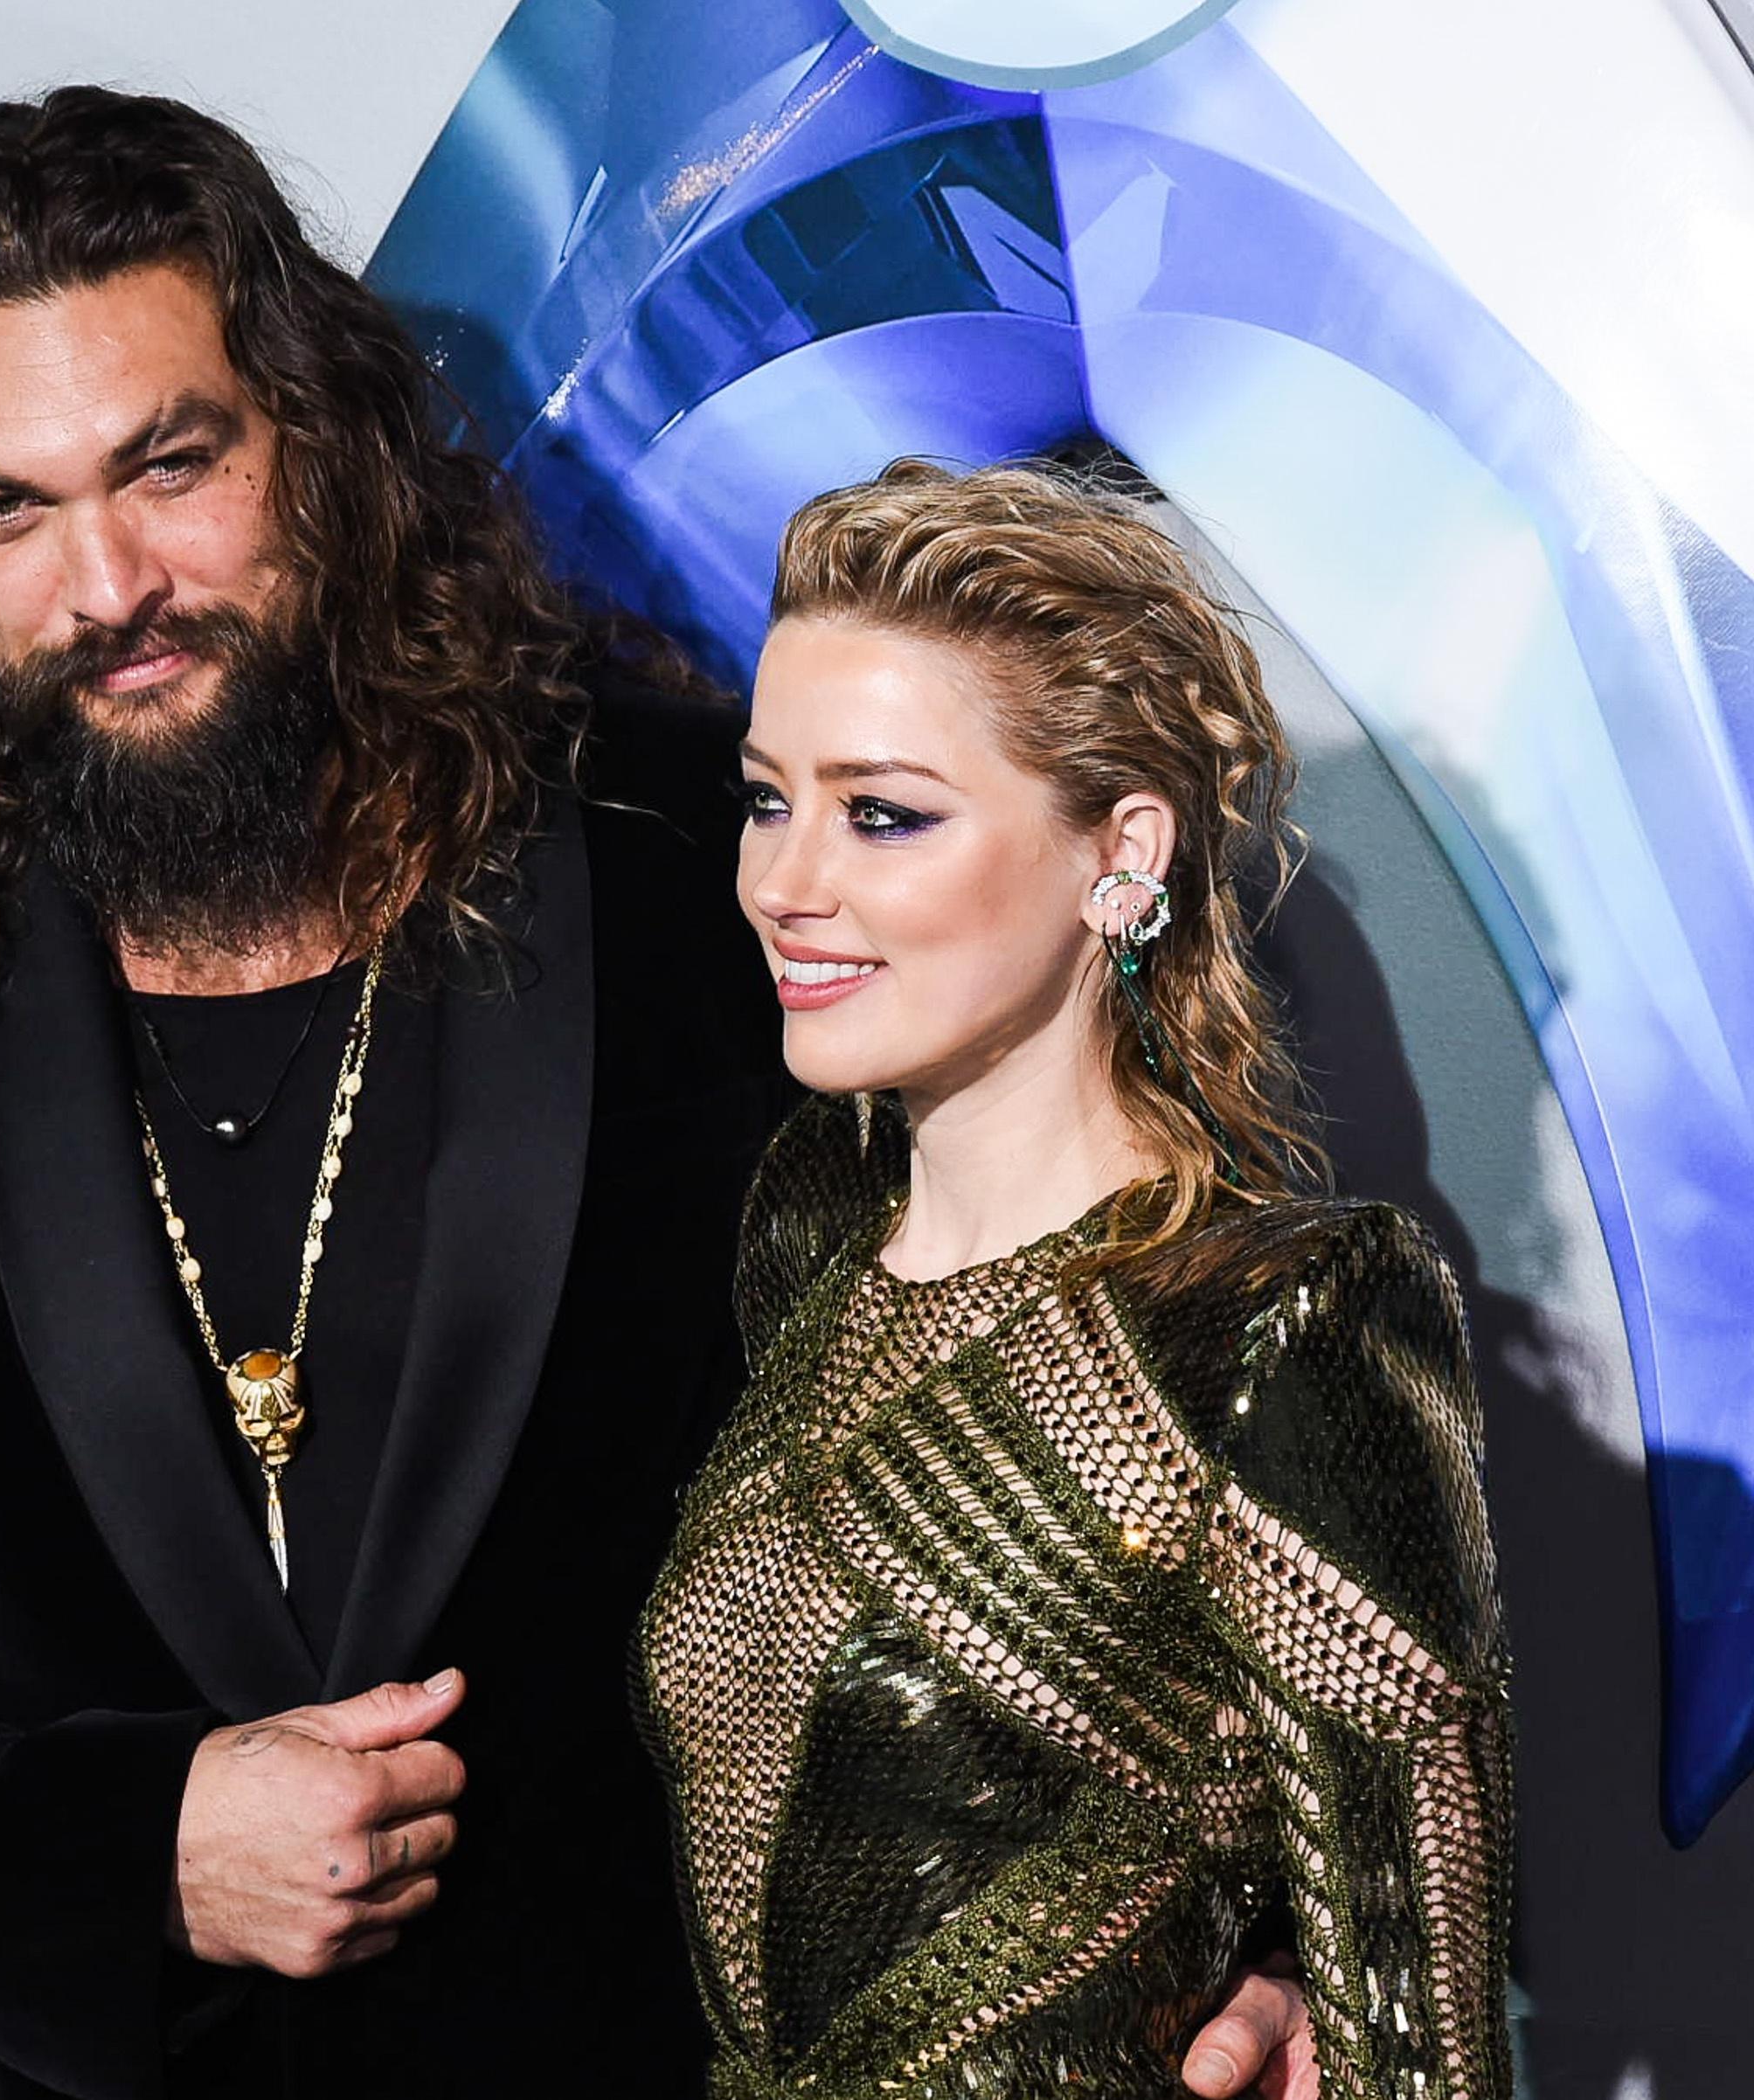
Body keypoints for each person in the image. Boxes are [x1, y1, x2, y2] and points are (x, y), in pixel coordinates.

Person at [0, 88, 1318, 2099]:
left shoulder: (707, 858)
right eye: (5, 511)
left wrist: (1252, 1937)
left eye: (170, 465)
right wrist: (134, 1850)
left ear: (316, 437)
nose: (108, 583)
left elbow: (1140, 1414)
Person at [636, 459, 1515, 2097]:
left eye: (881, 813)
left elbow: (1419, 2035)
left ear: (1122, 854)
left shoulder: (1283, 1320)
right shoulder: (810, 1224)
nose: (782, 883)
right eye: (767, 799)